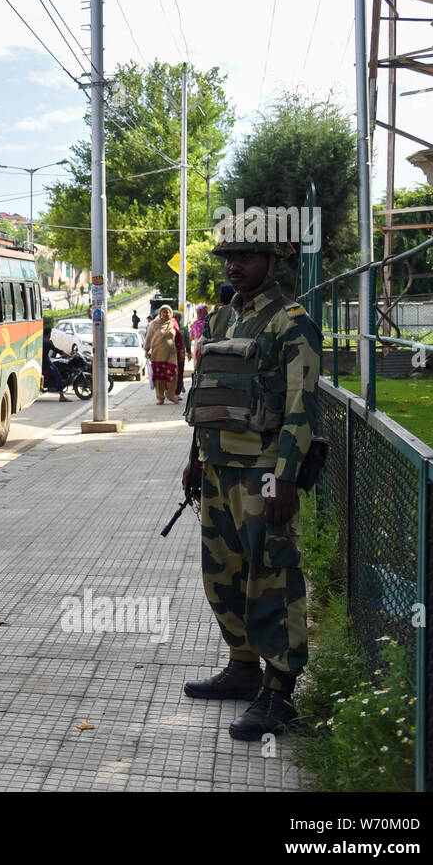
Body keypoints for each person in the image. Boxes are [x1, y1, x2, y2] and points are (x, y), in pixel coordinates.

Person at [180, 206, 322, 741]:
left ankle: (280, 692)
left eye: (246, 255)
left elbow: (301, 406)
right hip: (218, 469)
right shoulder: (220, 319)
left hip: (264, 475)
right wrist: (196, 458)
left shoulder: (292, 322)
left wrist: (284, 479)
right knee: (223, 575)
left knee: (272, 578)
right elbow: (210, 393)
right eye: (229, 256)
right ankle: (243, 668)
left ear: (271, 260)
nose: (234, 264)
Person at [144, 305, 181, 404]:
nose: (166, 314)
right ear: (160, 314)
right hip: (158, 354)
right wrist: (146, 350)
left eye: (168, 312)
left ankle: (170, 395)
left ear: (171, 313)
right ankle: (160, 397)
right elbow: (148, 337)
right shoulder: (154, 324)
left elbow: (179, 338)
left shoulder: (173, 323)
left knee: (173, 374)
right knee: (159, 377)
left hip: (171, 354)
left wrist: (182, 350)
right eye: (164, 312)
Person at [42, 325, 70, 401]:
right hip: (45, 362)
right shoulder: (47, 342)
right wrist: (70, 356)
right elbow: (58, 351)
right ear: (49, 334)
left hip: (43, 361)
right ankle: (62, 397)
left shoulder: (41, 340)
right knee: (58, 376)